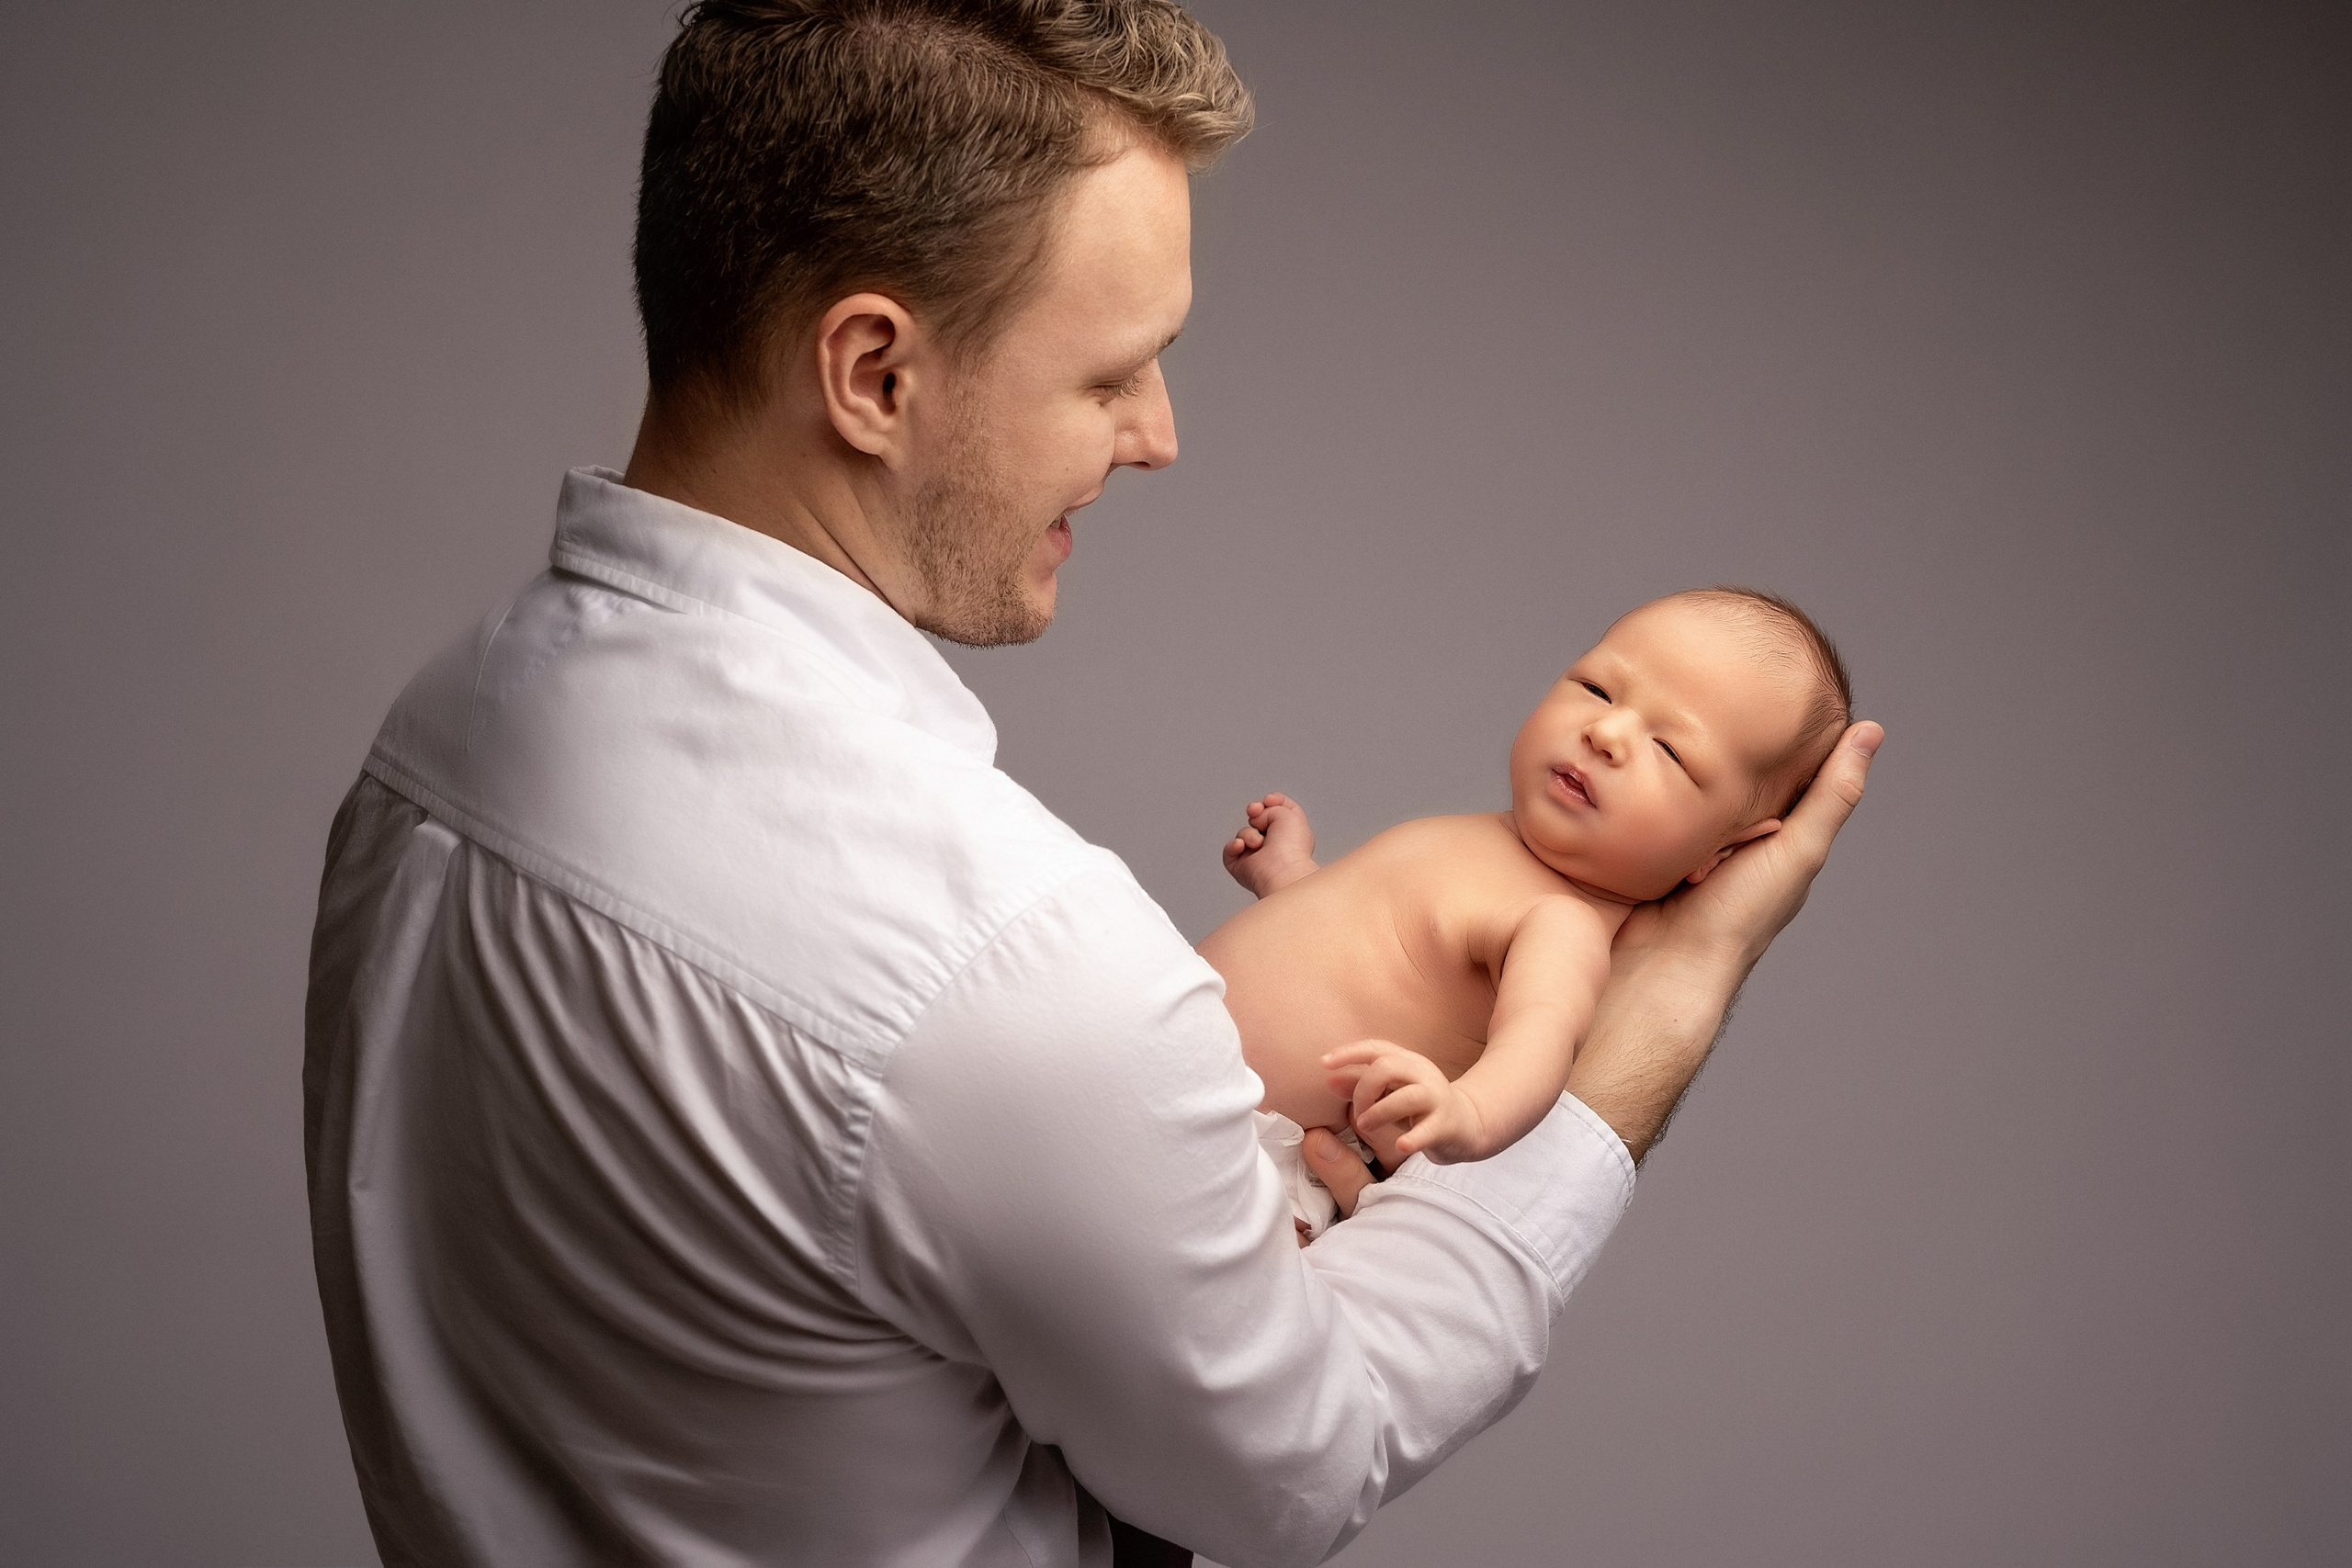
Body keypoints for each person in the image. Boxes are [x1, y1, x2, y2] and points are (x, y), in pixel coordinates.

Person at [301, 4, 1883, 1565]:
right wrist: (1657, 1017)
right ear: (873, 373)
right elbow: (1294, 1467)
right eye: (1114, 371)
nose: (1158, 436)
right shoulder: (1000, 959)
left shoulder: (432, 746)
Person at [1204, 589, 1855, 1241]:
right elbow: (1358, 949)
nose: (1606, 733)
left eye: (1672, 750)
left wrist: (1467, 1110)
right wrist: (1289, 875)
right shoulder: (1482, 839)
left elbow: (1538, 1040)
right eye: (1600, 688)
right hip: (1183, 1063)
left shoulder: (1559, 922)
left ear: (1722, 850)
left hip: (1251, 1150)